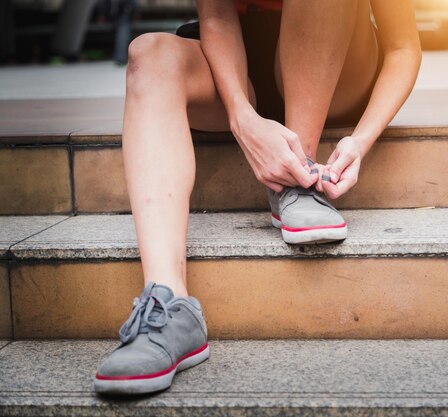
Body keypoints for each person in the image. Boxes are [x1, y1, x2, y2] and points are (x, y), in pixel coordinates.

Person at [94, 0, 421, 395]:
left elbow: (403, 47)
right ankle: (168, 307)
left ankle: (298, 178)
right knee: (149, 54)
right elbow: (216, 15)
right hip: (238, 68)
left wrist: (362, 139)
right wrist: (242, 118)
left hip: (338, 68)